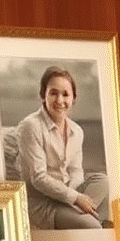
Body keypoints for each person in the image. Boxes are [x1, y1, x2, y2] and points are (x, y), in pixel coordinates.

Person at [15, 66, 109, 229]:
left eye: (65, 94)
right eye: (53, 93)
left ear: (73, 98)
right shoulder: (30, 126)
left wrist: (74, 195)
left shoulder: (77, 131)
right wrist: (76, 198)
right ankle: (93, 219)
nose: (60, 100)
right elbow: (39, 179)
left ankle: (77, 212)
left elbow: (76, 170)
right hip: (43, 202)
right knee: (92, 226)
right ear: (43, 95)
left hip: (67, 194)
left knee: (103, 181)